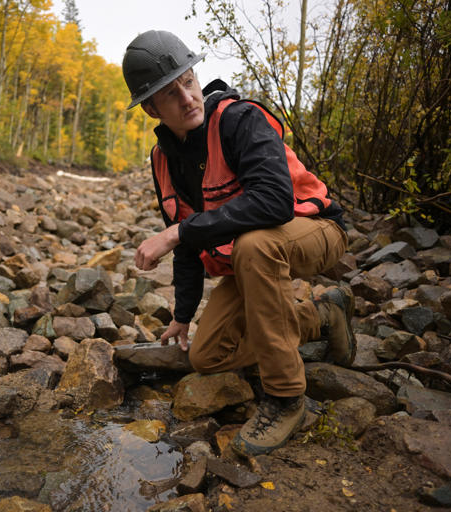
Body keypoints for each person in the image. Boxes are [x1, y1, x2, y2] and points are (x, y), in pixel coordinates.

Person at [122, 30, 356, 456]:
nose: (188, 98)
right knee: (206, 356)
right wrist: (182, 314)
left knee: (255, 245)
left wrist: (175, 234)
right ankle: (323, 316)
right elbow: (190, 241)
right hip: (254, 257)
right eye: (171, 94)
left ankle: (286, 398)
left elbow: (272, 203)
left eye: (188, 82)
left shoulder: (238, 119)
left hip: (316, 229)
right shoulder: (162, 160)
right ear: (152, 108)